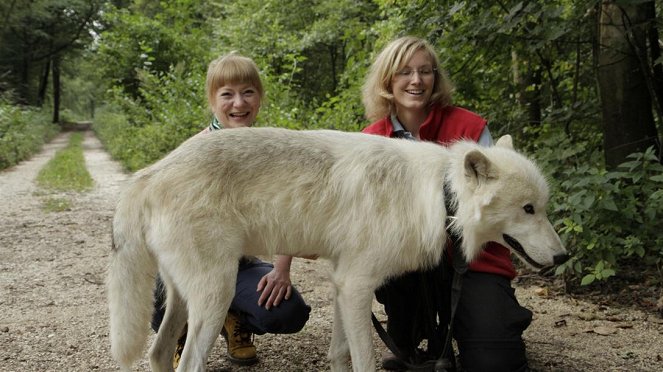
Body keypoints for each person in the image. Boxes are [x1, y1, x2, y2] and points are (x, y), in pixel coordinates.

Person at [361, 36, 532, 371]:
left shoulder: (470, 128)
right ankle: (409, 334)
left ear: (435, 78)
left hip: (471, 259)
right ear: (387, 80)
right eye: (404, 72)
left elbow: (499, 206)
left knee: (496, 363)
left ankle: (483, 325)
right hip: (404, 264)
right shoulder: (369, 140)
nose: (416, 80)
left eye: (426, 71)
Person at [150, 52, 311, 368]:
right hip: (190, 263)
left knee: (287, 311)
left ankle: (234, 318)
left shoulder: (272, 151)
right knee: (161, 311)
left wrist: (282, 268)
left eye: (248, 92)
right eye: (227, 94)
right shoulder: (194, 152)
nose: (239, 103)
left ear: (260, 99)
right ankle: (188, 333)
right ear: (212, 102)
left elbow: (288, 214)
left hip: (241, 263)